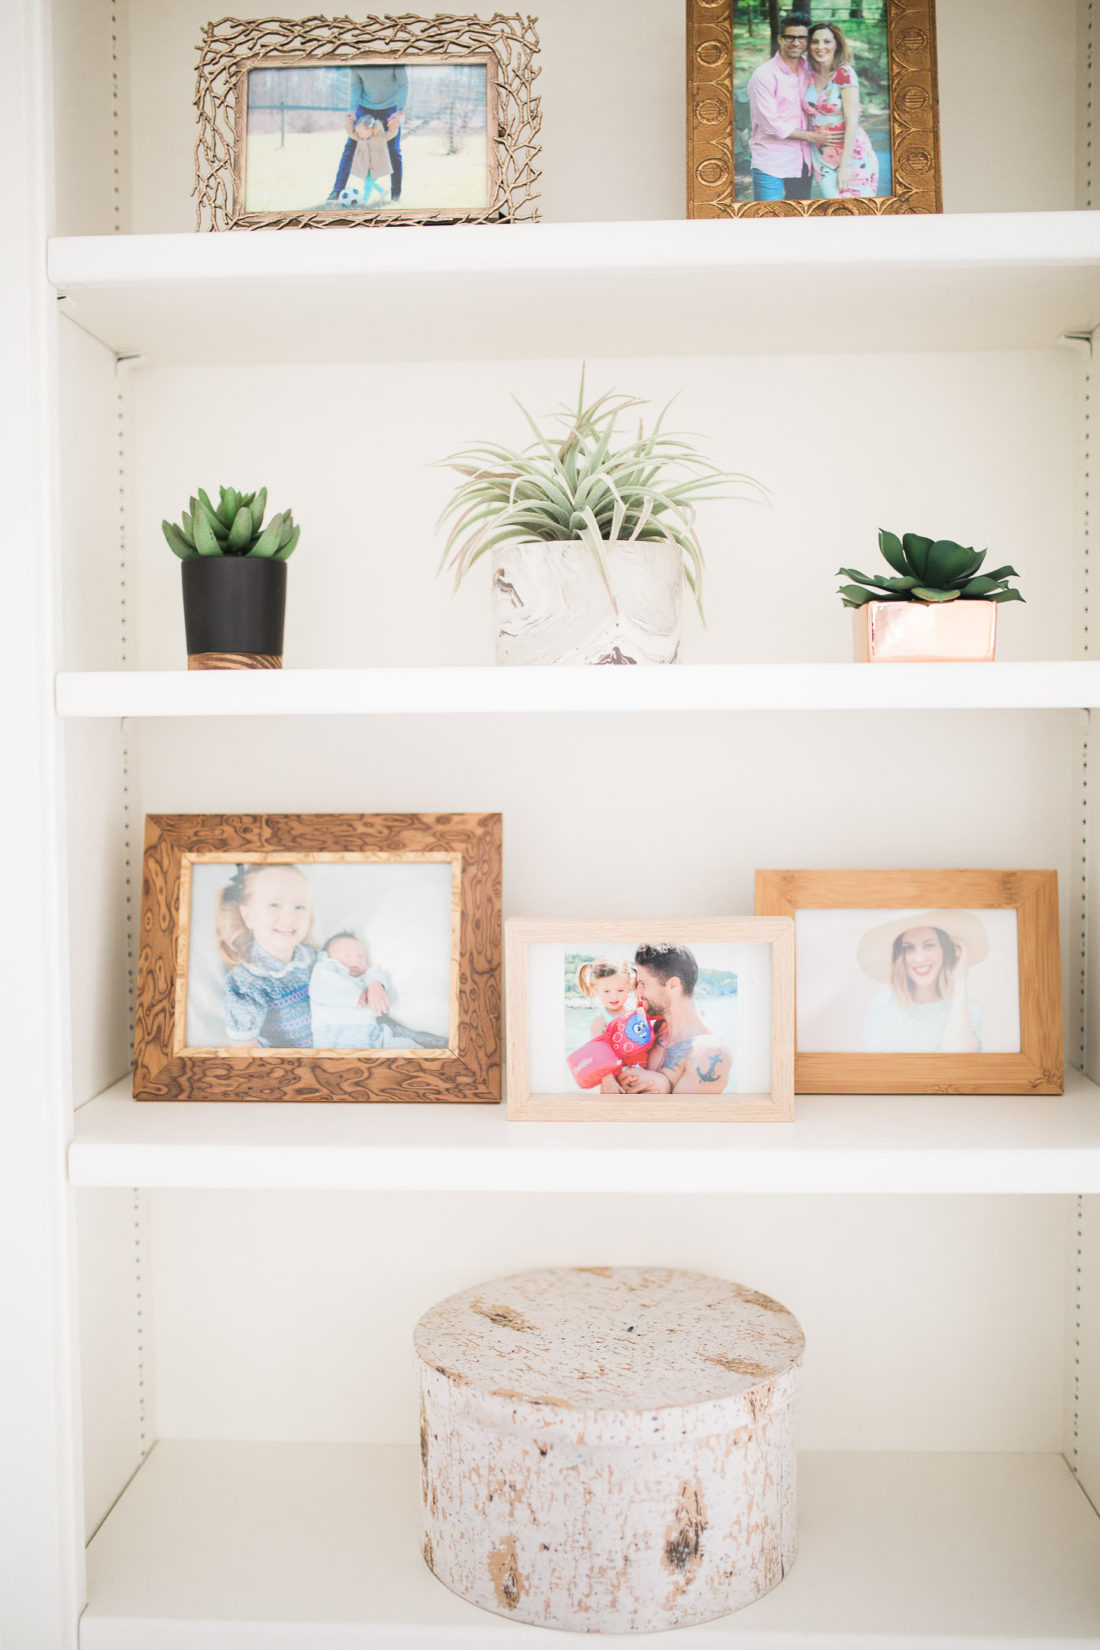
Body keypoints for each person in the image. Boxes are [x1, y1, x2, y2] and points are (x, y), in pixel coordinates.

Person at [217, 863, 318, 1048]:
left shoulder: (313, 958)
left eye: (299, 907)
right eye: (274, 905)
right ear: (248, 916)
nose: (290, 916)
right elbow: (245, 1054)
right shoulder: (248, 983)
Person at [858, 910, 988, 1053]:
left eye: (929, 945)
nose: (919, 959)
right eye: (909, 948)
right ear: (900, 956)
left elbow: (959, 1061)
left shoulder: (968, 1009)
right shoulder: (881, 1004)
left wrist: (960, 979)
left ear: (945, 950)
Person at [611, 943, 732, 1096]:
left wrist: (664, 1086)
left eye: (643, 984)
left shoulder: (709, 1052)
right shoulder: (655, 1027)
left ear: (673, 985)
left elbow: (681, 1117)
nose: (637, 993)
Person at [309, 931, 448, 1049]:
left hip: (373, 1035)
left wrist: (375, 985)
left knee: (407, 1047)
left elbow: (374, 973)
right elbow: (321, 987)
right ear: (325, 957)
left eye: (361, 957)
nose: (356, 961)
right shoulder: (324, 968)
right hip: (335, 1037)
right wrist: (354, 996)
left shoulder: (363, 977)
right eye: (347, 956)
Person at [745, 11, 829, 202]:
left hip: (804, 161)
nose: (796, 42)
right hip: (771, 162)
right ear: (780, 38)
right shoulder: (764, 75)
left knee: (798, 220)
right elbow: (770, 124)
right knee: (767, 219)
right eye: (790, 37)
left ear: (808, 40)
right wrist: (812, 136)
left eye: (802, 38)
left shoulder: (811, 69)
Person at [803, 21, 880, 199]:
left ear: (837, 44)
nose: (820, 46)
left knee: (857, 211)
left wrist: (845, 166)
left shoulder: (844, 73)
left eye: (827, 41)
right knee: (834, 209)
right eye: (815, 41)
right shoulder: (809, 75)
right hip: (821, 158)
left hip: (851, 155)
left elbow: (852, 121)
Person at [326, 63, 409, 206]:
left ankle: (396, 195)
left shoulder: (395, 59)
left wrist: (400, 111)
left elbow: (404, 84)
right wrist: (351, 110)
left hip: (391, 108)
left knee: (394, 151)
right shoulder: (356, 61)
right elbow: (356, 85)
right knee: (350, 147)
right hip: (365, 108)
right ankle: (337, 191)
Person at [577, 957, 637, 1040]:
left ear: (629, 985)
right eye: (606, 991)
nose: (613, 997)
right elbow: (597, 1051)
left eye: (620, 990)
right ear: (596, 989)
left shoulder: (634, 1011)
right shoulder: (599, 1023)